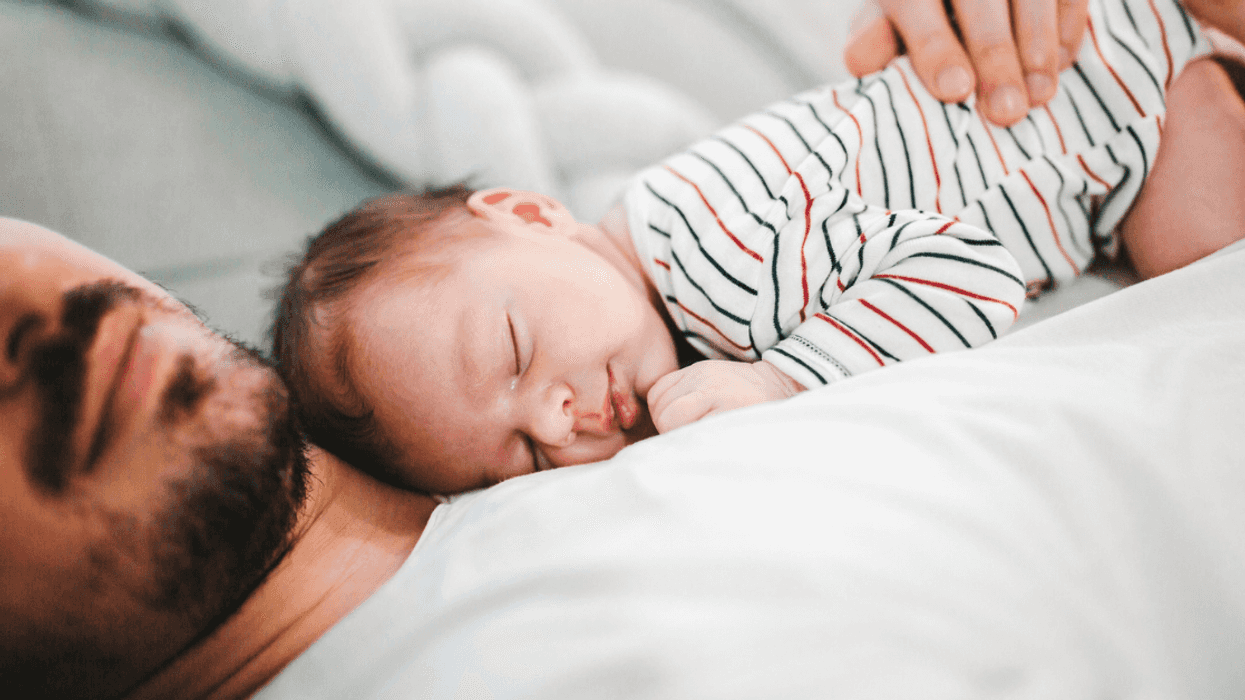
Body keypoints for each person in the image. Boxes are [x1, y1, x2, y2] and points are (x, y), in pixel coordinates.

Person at [272, 0, 1245, 497]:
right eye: (523, 458)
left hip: (1113, 100)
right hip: (1097, 121)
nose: (560, 422)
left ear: (531, 212)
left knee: (1215, 308)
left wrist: (787, 380)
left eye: (517, 352)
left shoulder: (713, 269)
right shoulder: (670, 248)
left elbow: (970, 267)